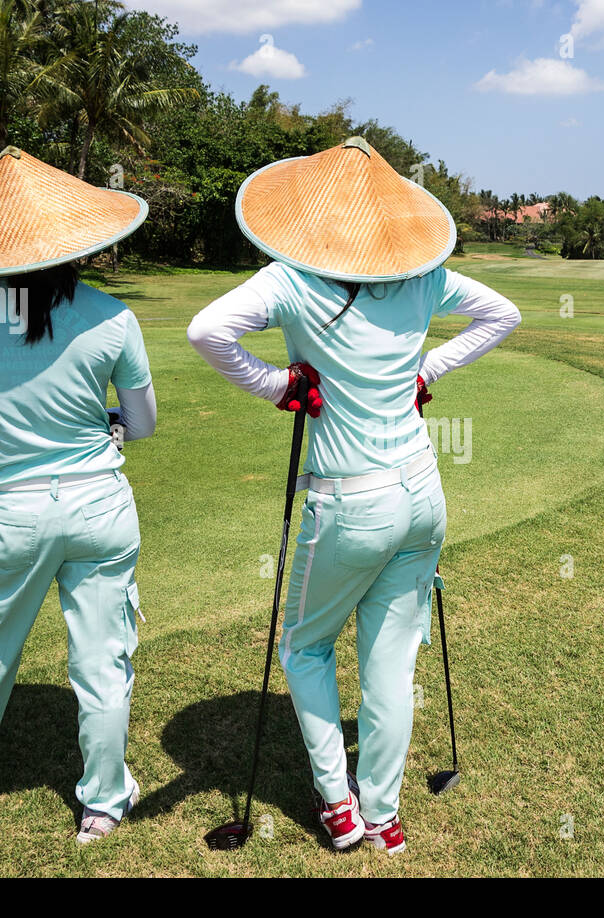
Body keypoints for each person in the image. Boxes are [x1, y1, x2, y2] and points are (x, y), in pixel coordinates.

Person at [188, 137, 520, 854]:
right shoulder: (427, 279)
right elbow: (504, 316)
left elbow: (207, 330)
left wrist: (279, 386)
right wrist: (428, 370)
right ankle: (383, 819)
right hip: (422, 496)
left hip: (349, 502)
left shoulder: (290, 280)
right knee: (391, 665)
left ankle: (338, 808)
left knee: (305, 647)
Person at [0, 147, 157, 844]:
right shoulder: (114, 317)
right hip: (100, 507)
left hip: (15, 509)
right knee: (102, 659)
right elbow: (140, 424)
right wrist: (105, 423)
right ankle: (103, 804)